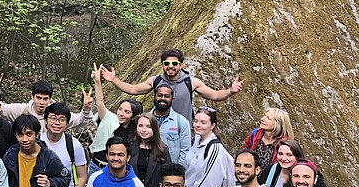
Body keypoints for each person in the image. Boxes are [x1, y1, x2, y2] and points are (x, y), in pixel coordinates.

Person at [99, 48, 244, 120]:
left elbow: (214, 95)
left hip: (183, 130)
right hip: (159, 128)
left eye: (174, 63)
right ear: (162, 65)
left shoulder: (191, 82)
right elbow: (133, 89)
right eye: (167, 63)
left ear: (180, 65)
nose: (170, 66)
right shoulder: (155, 81)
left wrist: (230, 91)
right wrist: (114, 80)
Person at [85, 65, 143, 177]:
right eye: (120, 109)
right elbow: (100, 102)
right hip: (97, 167)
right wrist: (97, 82)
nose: (121, 113)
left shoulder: (135, 132)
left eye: (127, 112)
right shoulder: (109, 118)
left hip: (119, 170)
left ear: (133, 116)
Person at [0, 74, 90, 128]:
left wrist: (86, 109)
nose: (42, 102)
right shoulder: (22, 110)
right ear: (32, 97)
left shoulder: (57, 114)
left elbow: (80, 121)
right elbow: (1, 108)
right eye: (38, 98)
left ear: (50, 99)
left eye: (45, 99)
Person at [130, 113, 171, 187]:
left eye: (148, 126)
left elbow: (167, 176)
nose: (144, 130)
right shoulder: (130, 146)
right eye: (140, 126)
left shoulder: (163, 150)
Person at [244, 107, 294, 175]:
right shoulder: (255, 134)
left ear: (277, 124)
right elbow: (245, 151)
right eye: (264, 116)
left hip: (270, 180)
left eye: (268, 118)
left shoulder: (285, 143)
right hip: (251, 177)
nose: (262, 119)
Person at [151, 84, 190, 164]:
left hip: (170, 171)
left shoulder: (181, 122)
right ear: (154, 96)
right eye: (159, 95)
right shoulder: (145, 120)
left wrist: (177, 172)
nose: (163, 98)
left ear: (172, 99)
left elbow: (185, 152)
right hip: (148, 169)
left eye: (167, 96)